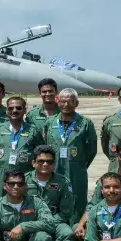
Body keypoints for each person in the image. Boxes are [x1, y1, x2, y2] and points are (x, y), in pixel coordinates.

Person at [40, 88, 98, 220]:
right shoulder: (50, 122)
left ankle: (77, 228)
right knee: (52, 199)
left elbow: (91, 150)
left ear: (76, 103)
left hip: (76, 172)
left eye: (71, 101)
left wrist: (78, 164)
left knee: (77, 202)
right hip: (53, 169)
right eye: (63, 101)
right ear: (58, 102)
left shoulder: (85, 123)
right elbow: (44, 145)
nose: (66, 105)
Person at [27, 145, 80, 241]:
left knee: (68, 235)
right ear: (33, 163)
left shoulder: (63, 182)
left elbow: (66, 212)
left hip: (56, 221)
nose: (45, 164)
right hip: (31, 223)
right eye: (41, 161)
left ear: (54, 164)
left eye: (49, 162)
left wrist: (48, 223)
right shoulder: (24, 181)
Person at [0, 96, 43, 199]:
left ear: (24, 110)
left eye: (18, 108)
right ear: (6, 110)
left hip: (24, 176)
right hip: (2, 176)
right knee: (0, 204)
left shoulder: (33, 130)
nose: (14, 111)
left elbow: (39, 154)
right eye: (11, 108)